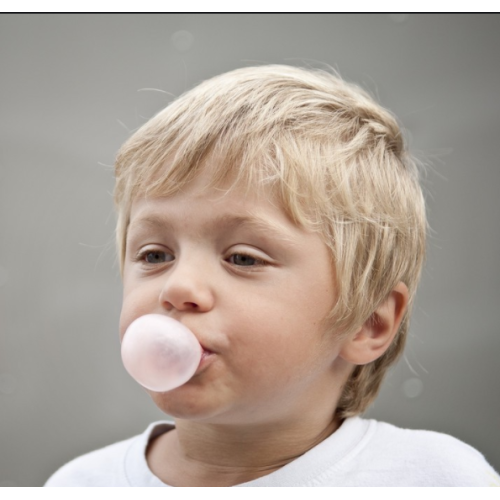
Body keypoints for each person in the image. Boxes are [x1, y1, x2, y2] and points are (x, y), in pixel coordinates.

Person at [45, 65, 499, 487]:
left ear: (367, 323)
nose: (177, 286)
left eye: (243, 259)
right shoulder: (81, 484)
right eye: (155, 254)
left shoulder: (434, 479)